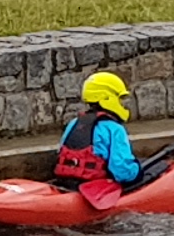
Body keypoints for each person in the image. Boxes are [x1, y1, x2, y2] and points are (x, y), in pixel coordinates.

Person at [51, 70, 147, 211]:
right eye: (119, 99)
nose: (121, 103)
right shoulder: (114, 129)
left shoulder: (74, 123)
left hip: (65, 182)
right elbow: (122, 171)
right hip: (94, 187)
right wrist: (138, 172)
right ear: (107, 98)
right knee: (138, 173)